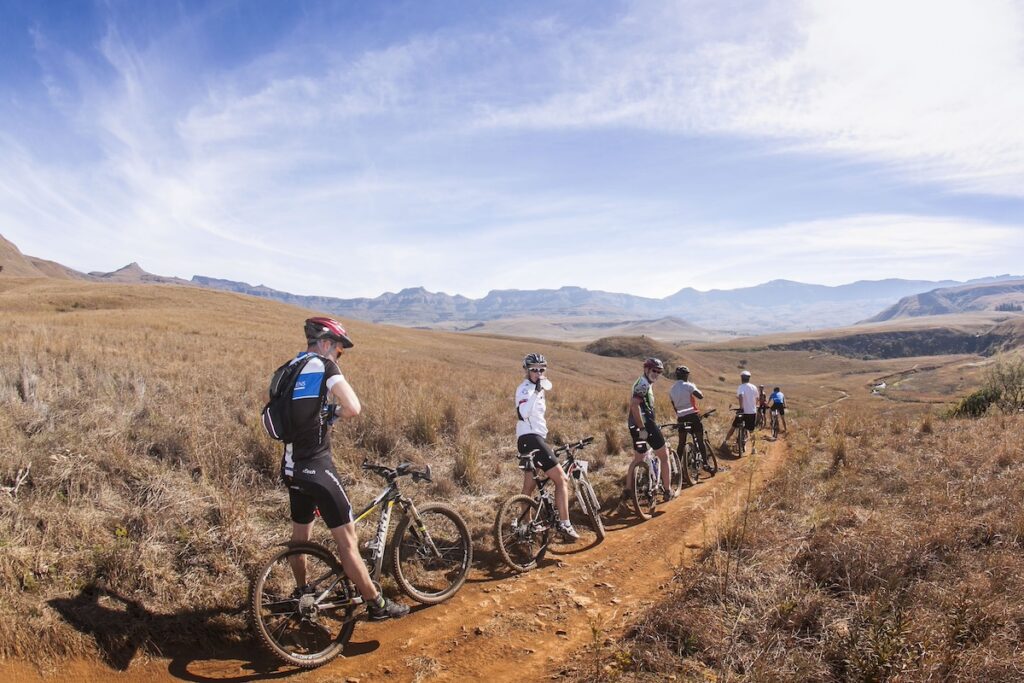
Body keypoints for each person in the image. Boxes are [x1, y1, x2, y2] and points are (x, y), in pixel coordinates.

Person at [279, 317, 408, 620]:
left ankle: (303, 592)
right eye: (339, 349)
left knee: (300, 539)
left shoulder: (290, 367)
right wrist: (334, 411)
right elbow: (353, 407)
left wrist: (320, 413)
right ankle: (376, 604)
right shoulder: (325, 366)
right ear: (326, 343)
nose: (339, 356)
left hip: (291, 467)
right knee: (347, 542)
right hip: (317, 467)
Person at [515, 353, 579, 541]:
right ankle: (565, 525)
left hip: (531, 439)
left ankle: (525, 528)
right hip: (531, 439)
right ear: (527, 370)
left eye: (542, 369)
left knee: (528, 487)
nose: (538, 373)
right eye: (534, 369)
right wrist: (535, 391)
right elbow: (523, 413)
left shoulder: (539, 388)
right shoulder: (525, 389)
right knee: (561, 479)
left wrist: (538, 390)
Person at [625, 357, 674, 502]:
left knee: (638, 459)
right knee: (664, 456)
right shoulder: (643, 384)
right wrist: (642, 428)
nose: (656, 374)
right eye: (654, 370)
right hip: (646, 426)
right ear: (646, 369)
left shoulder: (643, 382)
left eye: (659, 372)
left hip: (633, 426)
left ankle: (627, 491)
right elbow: (634, 405)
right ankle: (668, 490)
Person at [669, 365, 710, 466]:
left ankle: (678, 467)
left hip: (681, 418)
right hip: (693, 416)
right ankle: (705, 464)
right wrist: (694, 387)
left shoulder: (672, 389)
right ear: (686, 375)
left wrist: (681, 414)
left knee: (681, 443)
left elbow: (674, 406)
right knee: (700, 440)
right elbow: (700, 396)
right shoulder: (688, 385)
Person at [722, 370, 758, 452]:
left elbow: (741, 395)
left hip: (743, 412)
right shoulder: (754, 387)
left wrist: (741, 407)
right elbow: (757, 398)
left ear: (742, 378)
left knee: (734, 426)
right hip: (752, 412)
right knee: (751, 431)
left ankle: (725, 442)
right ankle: (753, 448)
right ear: (749, 378)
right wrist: (754, 406)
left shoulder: (741, 387)